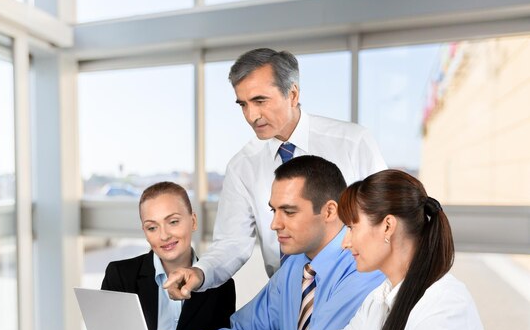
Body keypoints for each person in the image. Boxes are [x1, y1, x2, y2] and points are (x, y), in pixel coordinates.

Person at [234, 170, 492, 330]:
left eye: (352, 227)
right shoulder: (378, 299)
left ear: (388, 226)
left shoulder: (445, 302)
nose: (345, 242)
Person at [164, 48, 386, 300]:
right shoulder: (242, 166)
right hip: (287, 299)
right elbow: (232, 243)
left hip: (355, 294)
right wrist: (200, 272)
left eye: (260, 101)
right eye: (243, 104)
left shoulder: (352, 142)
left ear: (292, 94)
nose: (251, 116)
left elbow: (387, 222)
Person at [153, 156, 385, 330]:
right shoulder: (296, 266)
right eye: (274, 210)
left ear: (329, 211)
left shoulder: (362, 267)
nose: (274, 224)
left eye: (289, 212)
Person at [101, 181, 235, 330]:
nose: (163, 236)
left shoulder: (220, 285)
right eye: (152, 228)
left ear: (193, 221)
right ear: (144, 231)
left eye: (173, 222)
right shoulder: (120, 275)